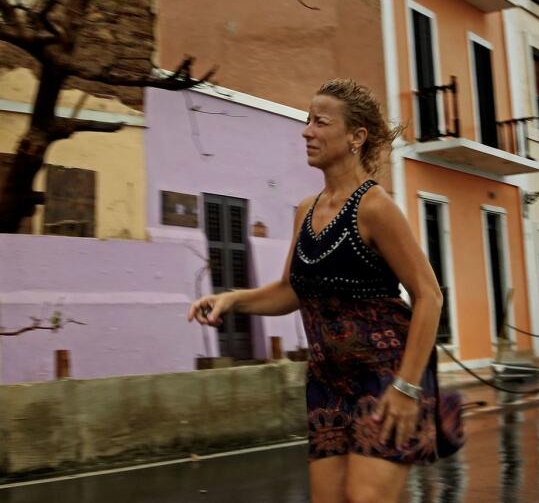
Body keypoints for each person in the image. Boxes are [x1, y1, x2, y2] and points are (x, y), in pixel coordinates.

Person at [187, 79, 463, 503]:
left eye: (320, 122)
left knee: (366, 498)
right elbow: (290, 291)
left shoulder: (376, 208)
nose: (306, 131)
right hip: (327, 381)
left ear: (356, 137)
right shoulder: (305, 210)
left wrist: (407, 388)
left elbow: (429, 295)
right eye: (306, 120)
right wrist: (232, 299)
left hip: (385, 376)